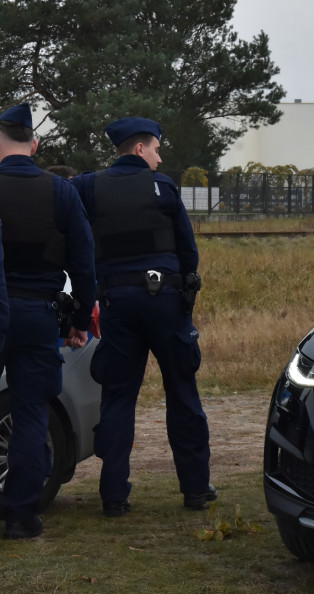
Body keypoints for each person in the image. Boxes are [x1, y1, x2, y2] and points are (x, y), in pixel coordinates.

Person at [71, 116, 215, 517]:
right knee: (182, 393)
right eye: (156, 148)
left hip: (117, 302)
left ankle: (113, 496)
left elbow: (75, 235)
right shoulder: (164, 186)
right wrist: (185, 299)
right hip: (166, 301)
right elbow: (188, 251)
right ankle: (196, 489)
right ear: (140, 149)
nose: (160, 155)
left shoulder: (88, 186)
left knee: (118, 397)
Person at [0, 102, 96, 539]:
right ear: (34, 144)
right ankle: (20, 514)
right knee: (31, 414)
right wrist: (78, 319)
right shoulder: (60, 191)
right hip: (39, 315)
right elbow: (83, 261)